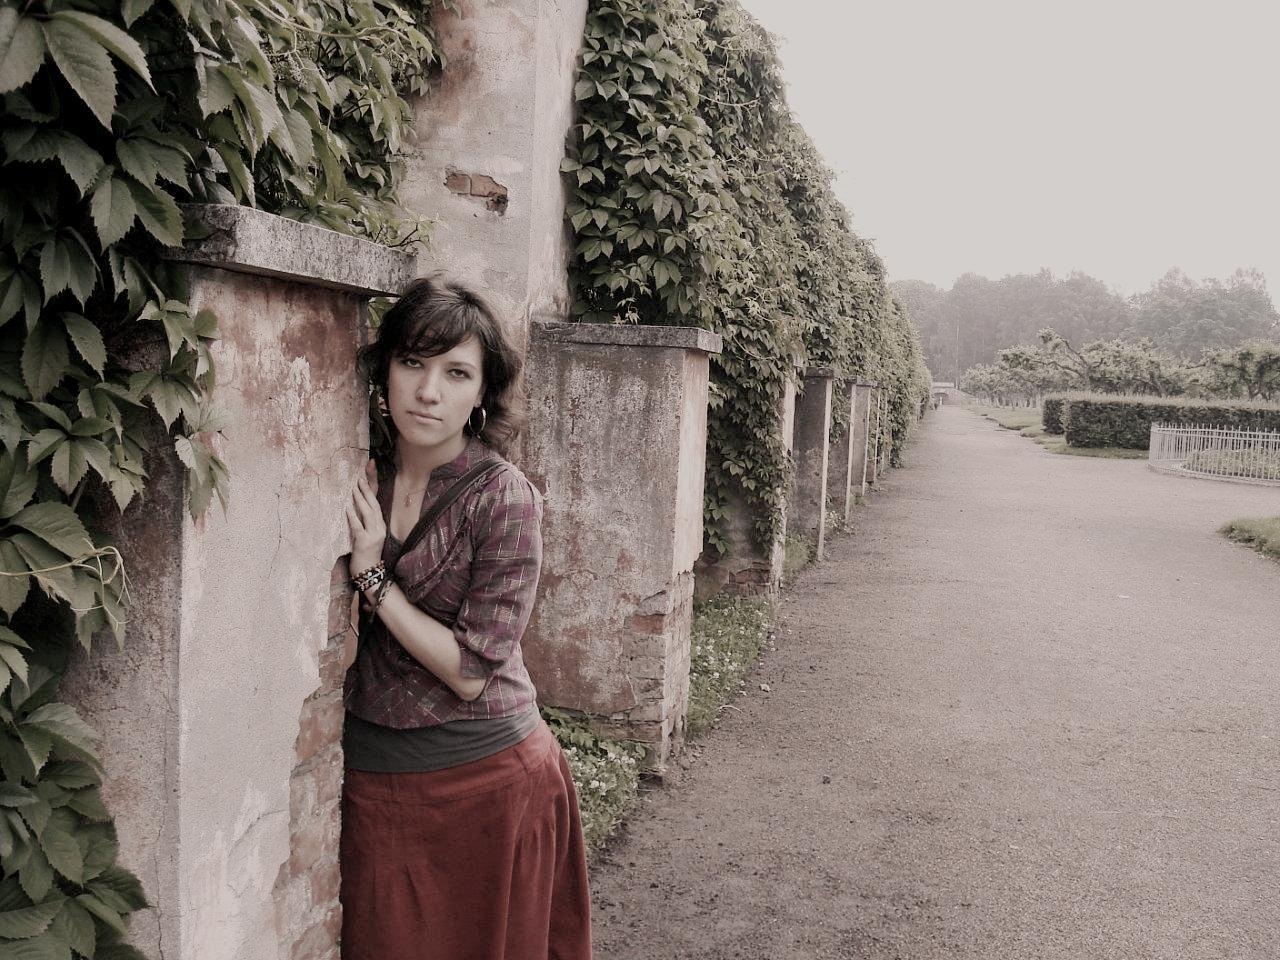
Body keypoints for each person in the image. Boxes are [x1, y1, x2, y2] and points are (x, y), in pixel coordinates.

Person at [340, 277, 592, 960]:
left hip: (488, 780)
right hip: (374, 777)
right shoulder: (356, 472)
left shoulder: (504, 498)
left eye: (456, 373)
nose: (429, 392)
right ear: (384, 371)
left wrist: (373, 577)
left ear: (482, 393)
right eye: (412, 363)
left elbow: (471, 671)